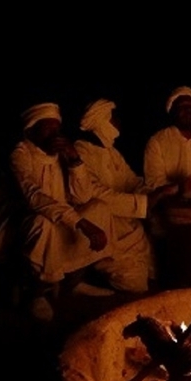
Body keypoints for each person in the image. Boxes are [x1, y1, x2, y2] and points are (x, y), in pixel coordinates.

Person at [10, 103, 115, 321]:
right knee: (43, 223)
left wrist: (74, 160)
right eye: (47, 129)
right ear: (31, 131)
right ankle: (37, 294)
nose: (54, 134)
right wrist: (81, 223)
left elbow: (82, 197)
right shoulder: (21, 153)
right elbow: (34, 197)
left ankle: (73, 283)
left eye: (57, 129)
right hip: (27, 221)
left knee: (99, 208)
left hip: (65, 216)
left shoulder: (62, 152)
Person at [74, 99, 178, 292]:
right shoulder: (81, 153)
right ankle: (85, 280)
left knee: (152, 273)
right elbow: (95, 194)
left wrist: (157, 194)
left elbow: (131, 182)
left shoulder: (112, 152)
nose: (119, 123)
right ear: (102, 121)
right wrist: (145, 202)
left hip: (129, 225)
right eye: (114, 118)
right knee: (134, 284)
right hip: (106, 226)